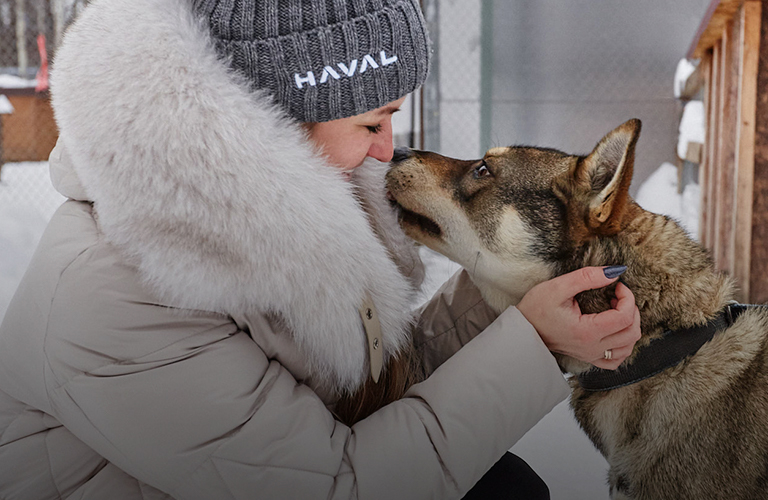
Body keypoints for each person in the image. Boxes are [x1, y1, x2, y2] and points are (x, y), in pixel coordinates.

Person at [0, 0, 640, 498]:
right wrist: (531, 346)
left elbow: (377, 380)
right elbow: (338, 486)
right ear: (273, 114)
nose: (389, 148)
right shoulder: (113, 294)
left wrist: (511, 300)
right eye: (372, 122)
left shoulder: (306, 187)